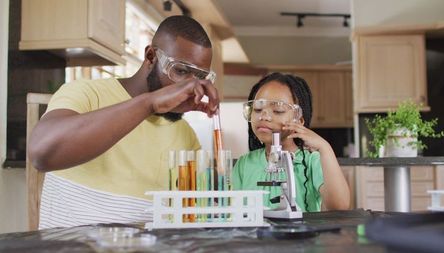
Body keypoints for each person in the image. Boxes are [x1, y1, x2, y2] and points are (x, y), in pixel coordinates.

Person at [28, 16, 219, 228]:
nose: (189, 87)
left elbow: (192, 217)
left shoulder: (185, 136)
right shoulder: (87, 94)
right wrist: (150, 104)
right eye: (180, 71)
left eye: (200, 78)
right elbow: (41, 154)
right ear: (150, 56)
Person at [232, 72, 350, 212]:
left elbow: (339, 206)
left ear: (299, 120)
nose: (264, 116)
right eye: (258, 109)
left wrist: (325, 147)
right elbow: (233, 209)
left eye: (278, 110)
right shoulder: (244, 164)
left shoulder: (312, 161)